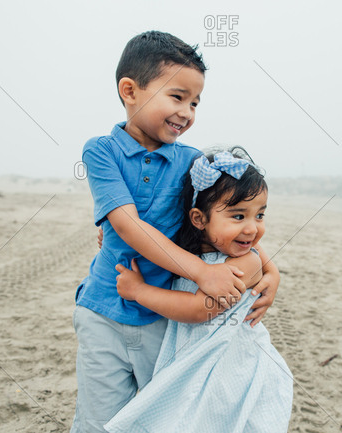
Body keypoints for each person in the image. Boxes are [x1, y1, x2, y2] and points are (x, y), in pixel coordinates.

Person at [71, 31, 281, 432]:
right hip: (103, 309)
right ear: (130, 90)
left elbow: (225, 220)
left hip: (165, 320)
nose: (187, 111)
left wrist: (269, 269)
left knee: (164, 417)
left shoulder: (192, 162)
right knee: (99, 421)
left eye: (195, 102)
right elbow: (127, 223)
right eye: (177, 96)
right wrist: (202, 272)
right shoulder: (101, 150)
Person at [105, 148, 293, 433]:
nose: (253, 228)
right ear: (198, 219)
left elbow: (198, 309)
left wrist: (139, 291)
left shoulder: (247, 263)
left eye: (260, 215)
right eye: (239, 216)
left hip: (229, 371)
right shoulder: (192, 256)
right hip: (201, 361)